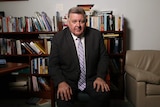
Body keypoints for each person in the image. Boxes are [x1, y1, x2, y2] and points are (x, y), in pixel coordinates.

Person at [49, 7, 110, 107]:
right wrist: (61, 82)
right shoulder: (58, 39)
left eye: (81, 21)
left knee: (103, 95)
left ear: (85, 22)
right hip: (68, 81)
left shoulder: (96, 35)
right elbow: (53, 65)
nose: (78, 25)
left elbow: (103, 58)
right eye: (74, 21)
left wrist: (100, 77)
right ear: (68, 22)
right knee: (63, 101)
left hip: (91, 79)